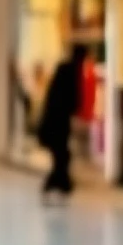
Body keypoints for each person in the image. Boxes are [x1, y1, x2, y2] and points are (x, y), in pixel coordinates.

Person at [37, 45, 84, 201]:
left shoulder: (65, 70)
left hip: (56, 121)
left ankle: (60, 183)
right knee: (61, 154)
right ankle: (57, 183)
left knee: (61, 154)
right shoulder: (70, 71)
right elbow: (72, 98)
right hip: (57, 122)